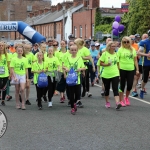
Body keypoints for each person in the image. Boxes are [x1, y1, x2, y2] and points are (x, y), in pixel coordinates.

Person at [63, 44, 86, 115]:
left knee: (78, 94)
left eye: (75, 50)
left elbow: (84, 67)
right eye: (72, 50)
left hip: (77, 78)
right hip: (70, 78)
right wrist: (66, 70)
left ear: (77, 50)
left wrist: (81, 69)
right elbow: (64, 66)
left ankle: (75, 103)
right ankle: (73, 108)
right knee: (71, 94)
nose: (73, 51)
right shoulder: (67, 58)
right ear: (70, 50)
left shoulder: (79, 58)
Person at [118, 36, 139, 106]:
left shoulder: (133, 49)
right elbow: (117, 61)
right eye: (124, 42)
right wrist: (117, 69)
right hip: (122, 68)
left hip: (131, 69)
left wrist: (137, 69)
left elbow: (135, 60)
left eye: (127, 42)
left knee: (130, 85)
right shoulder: (120, 50)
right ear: (122, 43)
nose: (126, 43)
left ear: (130, 42)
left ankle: (126, 97)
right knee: (122, 85)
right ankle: (121, 100)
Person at [100, 41, 122, 109]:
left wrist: (119, 73)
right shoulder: (105, 54)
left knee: (115, 88)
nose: (114, 48)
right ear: (109, 47)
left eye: (114, 46)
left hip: (115, 73)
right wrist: (107, 64)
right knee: (107, 89)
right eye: (112, 46)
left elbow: (118, 64)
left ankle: (117, 103)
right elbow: (101, 63)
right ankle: (107, 102)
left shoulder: (116, 54)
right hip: (106, 74)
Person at [10, 46, 28, 110]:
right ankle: (17, 103)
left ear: (22, 52)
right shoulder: (14, 59)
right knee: (17, 90)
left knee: (22, 89)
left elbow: (26, 69)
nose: (20, 52)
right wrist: (14, 77)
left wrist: (26, 77)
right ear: (16, 51)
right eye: (18, 51)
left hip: (22, 75)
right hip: (16, 74)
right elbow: (12, 68)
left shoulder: (25, 59)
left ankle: (23, 103)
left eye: (21, 51)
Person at [137, 30, 150, 99]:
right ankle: (142, 89)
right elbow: (138, 53)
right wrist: (146, 54)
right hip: (146, 63)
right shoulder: (144, 42)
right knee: (145, 79)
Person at [0, 41, 10, 106]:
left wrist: (10, 74)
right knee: (0, 86)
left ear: (4, 47)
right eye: (0, 46)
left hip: (5, 73)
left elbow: (9, 65)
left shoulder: (7, 55)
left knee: (4, 87)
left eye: (2, 46)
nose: (1, 47)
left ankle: (3, 100)